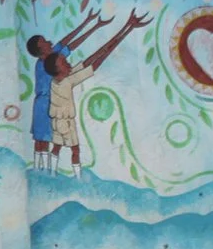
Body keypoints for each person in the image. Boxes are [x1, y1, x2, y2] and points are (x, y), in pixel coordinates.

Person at [45, 10, 153, 171]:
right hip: (64, 122)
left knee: (58, 147)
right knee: (74, 150)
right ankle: (70, 176)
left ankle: (51, 173)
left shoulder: (58, 80)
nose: (68, 63)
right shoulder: (66, 82)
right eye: (63, 62)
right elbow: (93, 65)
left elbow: (88, 61)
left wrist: (126, 29)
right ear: (57, 69)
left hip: (59, 121)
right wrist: (124, 32)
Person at [26, 12, 110, 167]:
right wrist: (92, 25)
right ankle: (40, 169)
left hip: (45, 104)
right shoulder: (48, 63)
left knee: (44, 139)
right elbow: (69, 46)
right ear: (41, 50)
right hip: (45, 104)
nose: (49, 42)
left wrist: (90, 23)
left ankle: (42, 169)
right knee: (42, 140)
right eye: (44, 42)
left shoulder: (49, 58)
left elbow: (66, 43)